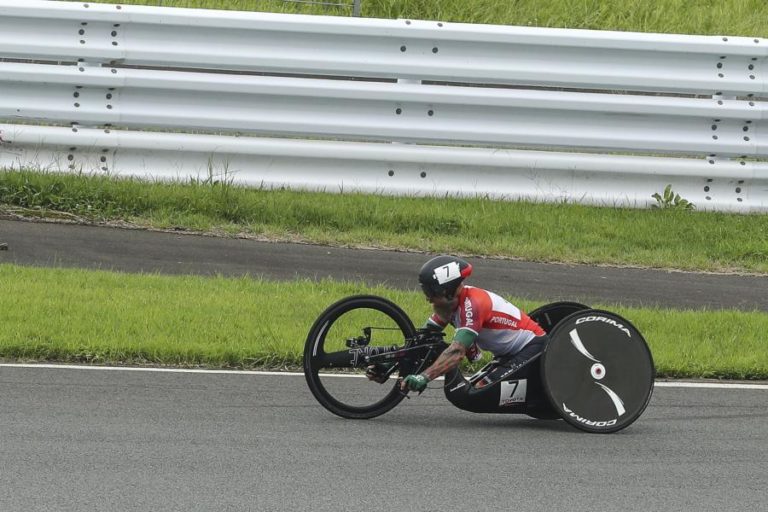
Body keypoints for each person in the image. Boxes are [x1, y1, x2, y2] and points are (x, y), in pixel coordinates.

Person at [398, 255, 548, 394]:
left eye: (431, 294)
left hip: (531, 348)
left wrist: (423, 377)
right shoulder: (450, 305)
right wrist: (392, 362)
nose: (428, 300)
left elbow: (456, 352)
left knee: (481, 392)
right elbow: (422, 339)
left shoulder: (473, 305)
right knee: (474, 391)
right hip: (506, 355)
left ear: (447, 292)